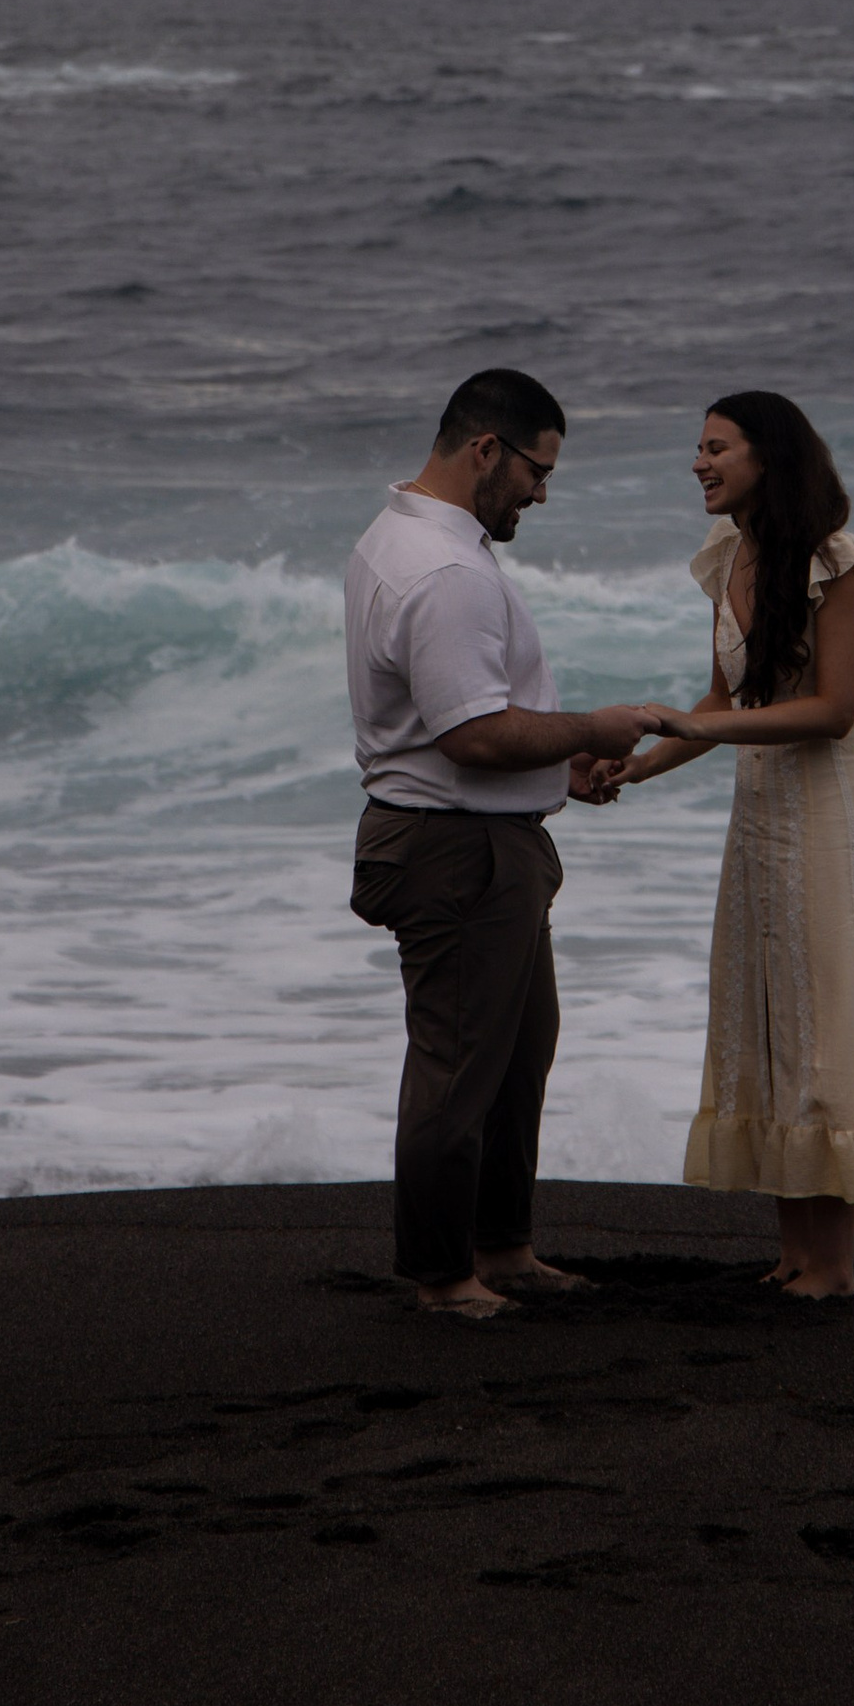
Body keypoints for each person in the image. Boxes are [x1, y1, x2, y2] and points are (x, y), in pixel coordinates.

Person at [344, 368, 655, 1321]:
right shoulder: (443, 570)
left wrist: (551, 773)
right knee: (459, 1064)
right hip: (457, 852)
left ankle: (504, 1247)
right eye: (537, 470)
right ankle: (443, 1276)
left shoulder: (409, 542)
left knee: (519, 1051)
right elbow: (470, 735)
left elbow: (452, 724)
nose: (542, 493)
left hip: (474, 837)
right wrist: (595, 729)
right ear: (487, 449)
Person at [626, 391, 854, 1296]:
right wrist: (634, 767)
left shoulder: (843, 564)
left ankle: (831, 1267)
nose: (698, 463)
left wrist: (701, 732)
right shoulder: (732, 560)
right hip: (759, 825)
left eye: (716, 447)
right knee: (768, 1027)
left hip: (834, 826)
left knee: (823, 1035)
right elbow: (721, 702)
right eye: (698, 448)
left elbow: (832, 712)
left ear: (768, 458)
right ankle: (793, 1252)